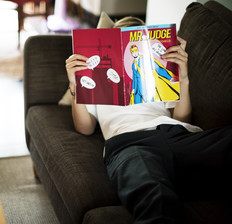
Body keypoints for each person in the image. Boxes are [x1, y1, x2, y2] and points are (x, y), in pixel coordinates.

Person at [65, 17, 232, 223]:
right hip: (130, 145)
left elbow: (181, 118)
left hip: (177, 135)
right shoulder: (97, 79)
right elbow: (85, 128)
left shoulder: (156, 73)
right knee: (155, 197)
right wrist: (75, 85)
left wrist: (183, 77)